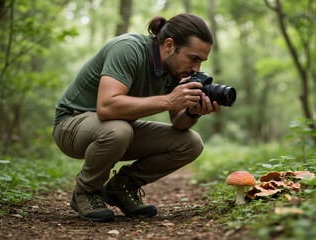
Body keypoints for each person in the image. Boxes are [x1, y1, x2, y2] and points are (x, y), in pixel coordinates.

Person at [52, 13, 219, 222]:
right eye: (193, 58)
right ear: (169, 45)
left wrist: (192, 111)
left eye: (201, 61)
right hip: (71, 124)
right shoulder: (128, 48)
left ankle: (121, 187)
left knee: (191, 143)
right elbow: (106, 107)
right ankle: (87, 192)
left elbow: (178, 122)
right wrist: (168, 100)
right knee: (119, 130)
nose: (197, 69)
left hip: (116, 129)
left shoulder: (175, 70)